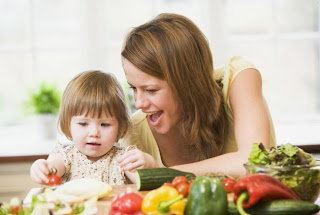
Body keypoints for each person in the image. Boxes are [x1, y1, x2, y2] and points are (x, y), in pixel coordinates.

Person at [117, 13, 276, 178]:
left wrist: (163, 174)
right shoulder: (135, 133)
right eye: (133, 88)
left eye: (151, 90)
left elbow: (255, 163)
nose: (139, 103)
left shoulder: (238, 79)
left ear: (186, 82)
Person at [30, 70, 158, 185]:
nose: (94, 133)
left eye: (105, 124)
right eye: (83, 124)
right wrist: (41, 168)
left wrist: (150, 164)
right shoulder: (66, 157)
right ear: (68, 124)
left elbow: (146, 182)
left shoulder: (122, 159)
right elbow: (52, 168)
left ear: (119, 127)